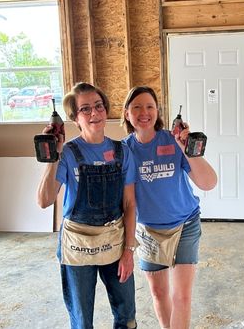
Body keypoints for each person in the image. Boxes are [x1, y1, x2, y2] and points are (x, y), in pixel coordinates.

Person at [37, 82, 138, 329]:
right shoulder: (68, 153)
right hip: (77, 244)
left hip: (114, 240)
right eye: (85, 109)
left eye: (98, 106)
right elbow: (44, 200)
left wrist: (128, 251)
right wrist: (53, 156)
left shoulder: (122, 152)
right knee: (82, 321)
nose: (94, 113)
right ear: (75, 118)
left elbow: (129, 203)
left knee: (127, 316)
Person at [121, 86, 217, 329]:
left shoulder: (173, 142)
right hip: (148, 230)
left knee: (181, 296)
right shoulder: (124, 150)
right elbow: (126, 201)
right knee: (159, 294)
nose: (144, 112)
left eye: (150, 106)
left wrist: (188, 151)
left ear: (157, 111)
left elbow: (208, 183)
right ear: (126, 114)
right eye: (137, 107)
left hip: (185, 224)